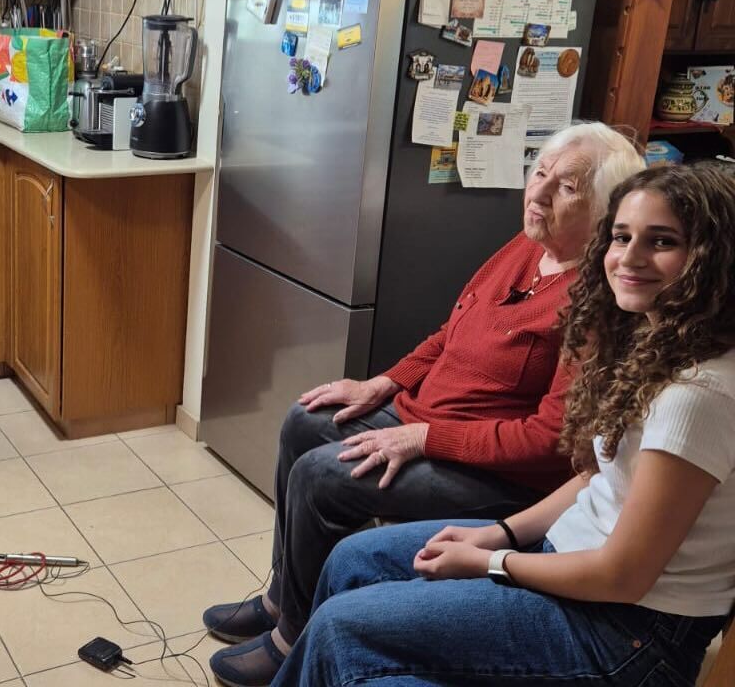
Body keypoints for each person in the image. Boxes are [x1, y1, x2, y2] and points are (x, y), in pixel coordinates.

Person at [204, 122, 646, 687]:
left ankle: (292, 637)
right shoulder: (525, 248)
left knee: (322, 477)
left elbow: (550, 440)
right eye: (539, 173)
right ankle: (284, 598)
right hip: (430, 420)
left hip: (500, 473)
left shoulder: (596, 301)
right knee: (305, 421)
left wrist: (425, 438)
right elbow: (451, 334)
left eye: (566, 188)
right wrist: (384, 383)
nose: (538, 193)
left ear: (606, 210)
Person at [274, 162, 735, 686]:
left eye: (662, 241)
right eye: (622, 236)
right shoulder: (651, 341)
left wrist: (492, 562)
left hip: (625, 631)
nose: (629, 257)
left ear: (713, 257)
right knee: (353, 560)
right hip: (569, 552)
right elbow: (597, 478)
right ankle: (290, 636)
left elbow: (623, 576)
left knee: (341, 628)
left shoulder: (698, 397)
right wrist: (500, 535)